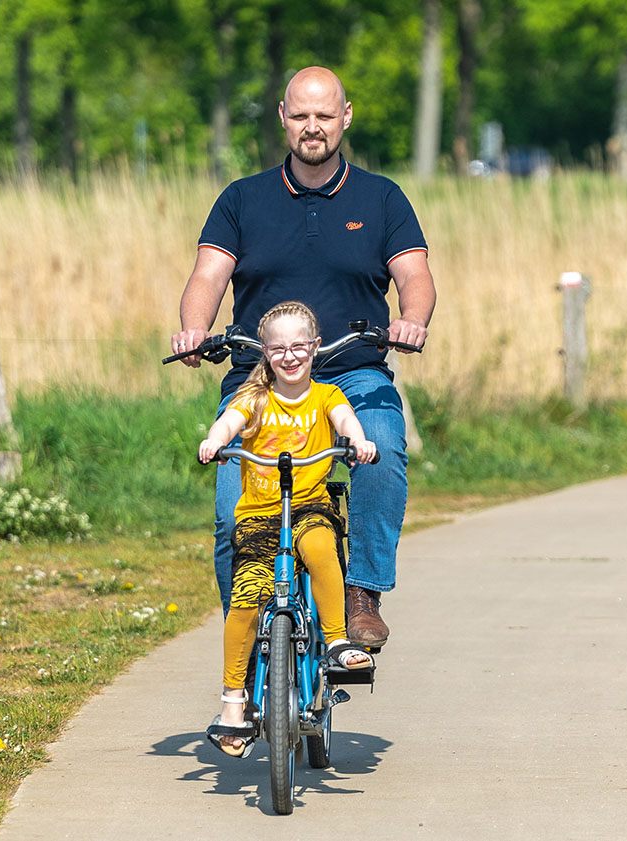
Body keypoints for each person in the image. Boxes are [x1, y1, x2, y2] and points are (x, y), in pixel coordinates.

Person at [171, 65, 436, 648]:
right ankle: (247, 634)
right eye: (300, 116)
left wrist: (411, 320)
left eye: (324, 115)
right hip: (259, 378)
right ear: (283, 120)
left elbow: (414, 275)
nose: (312, 127)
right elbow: (207, 275)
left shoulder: (382, 197)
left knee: (384, 447)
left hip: (353, 369)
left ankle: (363, 594)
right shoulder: (241, 200)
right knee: (228, 515)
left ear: (345, 117)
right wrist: (194, 330)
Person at [199, 301, 376, 757]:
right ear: (265, 353)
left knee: (321, 551)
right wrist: (215, 441)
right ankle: (233, 705)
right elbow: (229, 422)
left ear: (315, 348)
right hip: (259, 517)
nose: (290, 356)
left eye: (299, 346)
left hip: (310, 508)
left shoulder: (326, 397)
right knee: (244, 601)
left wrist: (357, 441)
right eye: (278, 348)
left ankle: (335, 641)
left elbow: (346, 422)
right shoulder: (254, 397)